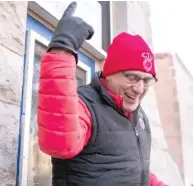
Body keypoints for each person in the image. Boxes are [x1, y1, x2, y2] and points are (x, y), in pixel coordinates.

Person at [37, 2, 167, 186]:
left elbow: (135, 169)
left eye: (147, 80)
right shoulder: (85, 104)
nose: (139, 89)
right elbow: (59, 143)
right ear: (110, 73)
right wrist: (62, 50)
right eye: (131, 77)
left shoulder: (139, 116)